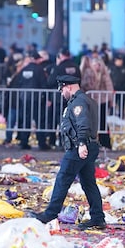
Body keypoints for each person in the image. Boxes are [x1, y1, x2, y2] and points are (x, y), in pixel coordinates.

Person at [27, 74, 105, 230]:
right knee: (89, 183)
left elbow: (83, 124)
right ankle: (97, 217)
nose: (62, 93)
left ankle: (50, 214)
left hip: (79, 147)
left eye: (62, 89)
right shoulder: (87, 100)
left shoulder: (79, 102)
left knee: (63, 179)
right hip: (89, 146)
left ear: (69, 87)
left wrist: (82, 143)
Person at [80, 55, 113, 149]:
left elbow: (109, 86)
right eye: (94, 65)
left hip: (102, 100)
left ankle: (105, 143)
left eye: (98, 65)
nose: (96, 67)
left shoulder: (104, 74)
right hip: (91, 100)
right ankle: (92, 142)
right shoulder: (89, 73)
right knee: (91, 121)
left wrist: (111, 99)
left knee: (102, 121)